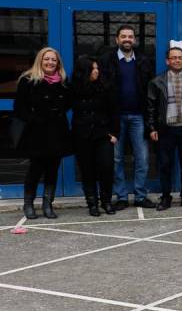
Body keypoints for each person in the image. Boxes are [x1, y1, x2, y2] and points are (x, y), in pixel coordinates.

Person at [99, 25, 156, 211]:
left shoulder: (143, 60)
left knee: (142, 158)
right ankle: (121, 197)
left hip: (139, 116)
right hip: (115, 118)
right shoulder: (106, 60)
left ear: (134, 40)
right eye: (123, 36)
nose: (127, 39)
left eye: (130, 36)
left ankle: (140, 196)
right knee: (116, 160)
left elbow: (150, 90)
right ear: (117, 39)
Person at [14, 48, 71, 219]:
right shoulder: (28, 80)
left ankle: (48, 204)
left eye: (54, 60)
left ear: (58, 63)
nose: (50, 62)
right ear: (40, 60)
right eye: (47, 59)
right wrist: (35, 120)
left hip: (57, 132)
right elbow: (19, 109)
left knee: (52, 170)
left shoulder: (64, 82)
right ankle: (28, 204)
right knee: (35, 170)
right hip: (36, 133)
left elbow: (67, 105)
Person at [146, 47, 182, 211]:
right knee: (165, 165)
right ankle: (166, 198)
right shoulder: (157, 82)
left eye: (180, 57)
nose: (177, 60)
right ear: (167, 61)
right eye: (173, 58)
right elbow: (150, 107)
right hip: (165, 130)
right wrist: (152, 128)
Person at [70, 56, 119, 216]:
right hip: (82, 135)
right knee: (87, 170)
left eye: (97, 68)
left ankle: (106, 201)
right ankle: (92, 203)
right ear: (84, 71)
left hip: (103, 134)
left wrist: (114, 133)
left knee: (106, 168)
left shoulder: (105, 87)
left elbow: (114, 111)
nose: (96, 71)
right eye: (93, 69)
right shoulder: (73, 89)